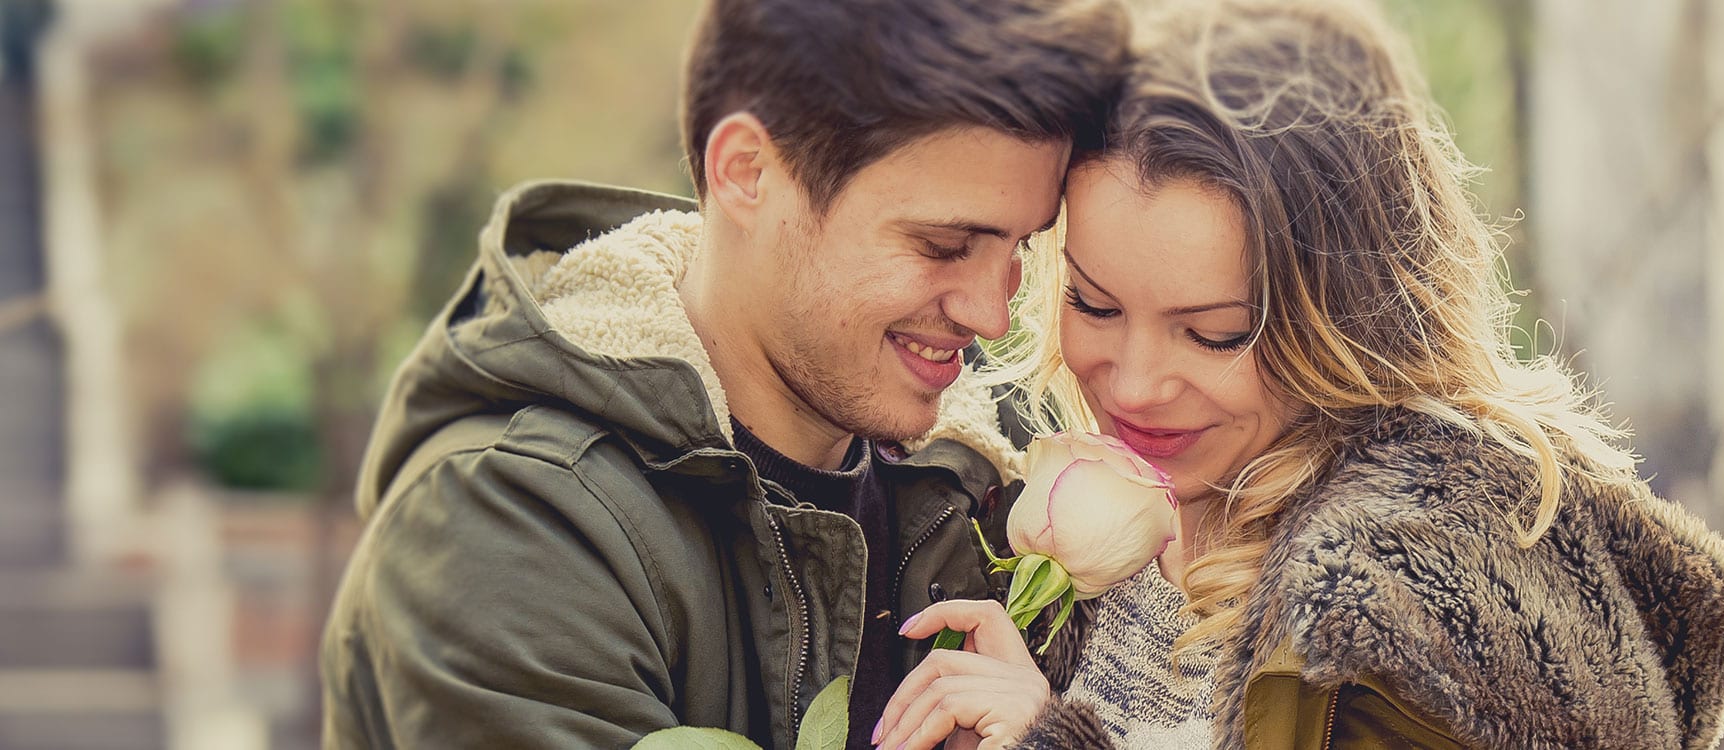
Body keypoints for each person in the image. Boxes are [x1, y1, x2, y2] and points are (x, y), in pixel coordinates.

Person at [872, 0, 1724, 747]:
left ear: (1348, 318)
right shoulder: (1062, 510)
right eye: (1095, 305)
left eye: (1215, 335)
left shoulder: (1429, 589)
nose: (1134, 386)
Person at [317, 1, 1125, 746]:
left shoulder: (982, 502)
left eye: (1020, 249)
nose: (992, 314)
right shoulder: (507, 527)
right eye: (943, 246)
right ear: (747, 171)